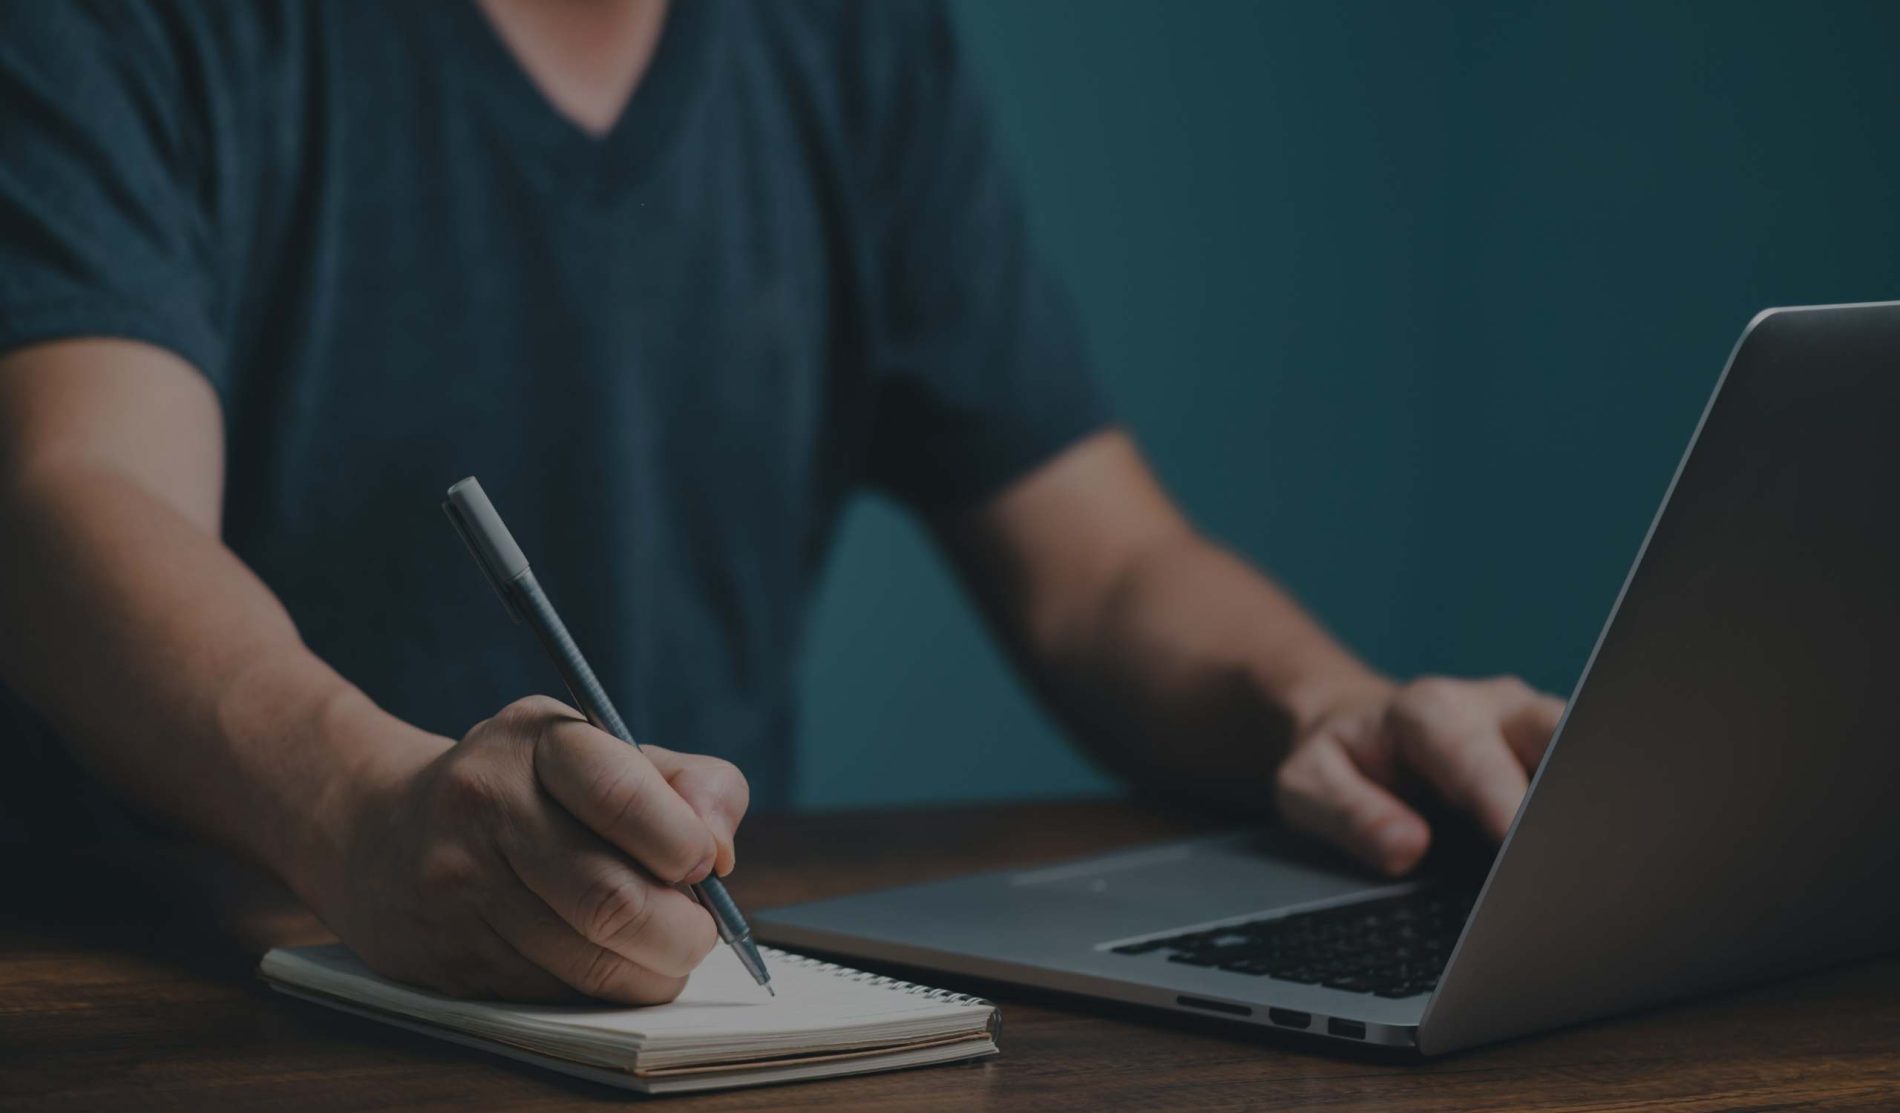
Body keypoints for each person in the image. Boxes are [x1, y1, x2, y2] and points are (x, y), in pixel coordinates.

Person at [0, 0, 1562, 1006]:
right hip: (156, 988)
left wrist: (1327, 706)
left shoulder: (854, 41)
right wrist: (354, 807)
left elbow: (1102, 562)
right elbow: (78, 494)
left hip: (681, 1008)